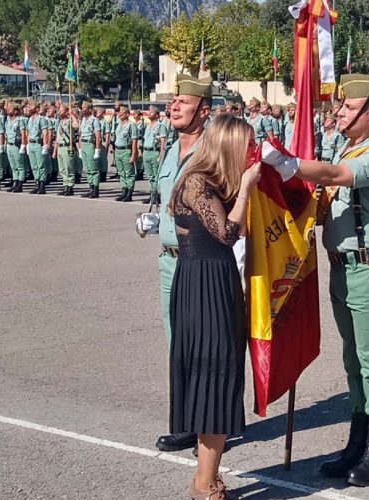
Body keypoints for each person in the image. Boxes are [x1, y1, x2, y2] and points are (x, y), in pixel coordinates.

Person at [264, 71, 369, 487]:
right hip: (343, 268)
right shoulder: (349, 149)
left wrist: (289, 165)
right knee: (353, 361)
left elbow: (337, 176)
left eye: (349, 106)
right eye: (341, 106)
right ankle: (356, 443)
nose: (340, 112)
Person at [168, 114, 261, 500]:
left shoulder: (214, 183)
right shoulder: (197, 182)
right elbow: (226, 233)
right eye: (247, 146)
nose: (251, 154)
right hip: (202, 287)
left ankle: (207, 477)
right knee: (212, 379)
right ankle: (204, 484)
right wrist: (246, 191)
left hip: (216, 284)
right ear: (229, 147)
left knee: (221, 379)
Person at [153, 75, 212, 457]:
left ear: (203, 111)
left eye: (183, 102)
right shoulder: (170, 149)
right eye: (173, 101)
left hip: (199, 260)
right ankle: (189, 421)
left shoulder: (213, 152)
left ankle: (210, 422)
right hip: (168, 262)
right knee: (178, 344)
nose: (173, 106)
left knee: (204, 344)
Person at [141, 105, 168, 205]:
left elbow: (163, 142)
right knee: (150, 175)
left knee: (156, 175)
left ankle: (157, 195)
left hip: (155, 152)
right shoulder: (148, 126)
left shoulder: (161, 126)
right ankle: (152, 193)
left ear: (157, 115)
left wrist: (161, 155)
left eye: (151, 112)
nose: (149, 114)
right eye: (149, 112)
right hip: (146, 152)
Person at [113, 105, 138, 202]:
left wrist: (133, 155)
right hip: (118, 150)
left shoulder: (131, 125)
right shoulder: (118, 124)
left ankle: (129, 193)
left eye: (122, 113)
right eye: (119, 113)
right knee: (121, 172)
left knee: (129, 173)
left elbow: (134, 141)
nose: (119, 115)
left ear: (127, 114)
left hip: (126, 150)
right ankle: (124, 191)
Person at [79, 102, 102, 198]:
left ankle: (96, 190)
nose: (83, 110)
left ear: (90, 109)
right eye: (82, 108)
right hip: (84, 144)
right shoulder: (83, 120)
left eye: (85, 108)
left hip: (90, 144)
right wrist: (80, 148)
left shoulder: (94, 121)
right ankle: (91, 188)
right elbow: (80, 135)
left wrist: (97, 150)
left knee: (93, 169)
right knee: (88, 169)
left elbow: (98, 137)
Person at [53, 106, 77, 197]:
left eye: (62, 110)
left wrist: (72, 115)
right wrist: (55, 151)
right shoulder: (60, 122)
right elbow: (57, 139)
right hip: (60, 147)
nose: (60, 112)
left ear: (66, 111)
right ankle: (66, 186)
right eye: (59, 110)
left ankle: (70, 187)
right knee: (62, 169)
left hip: (67, 147)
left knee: (68, 168)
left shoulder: (69, 121)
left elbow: (76, 125)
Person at [4, 103, 27, 193]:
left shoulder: (19, 120)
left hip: (16, 145)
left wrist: (23, 145)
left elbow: (23, 133)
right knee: (13, 167)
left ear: (16, 111)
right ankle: (15, 183)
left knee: (20, 166)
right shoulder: (8, 120)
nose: (8, 110)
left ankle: (20, 184)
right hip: (9, 145)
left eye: (11, 108)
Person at [26, 102, 48, 195]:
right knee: (34, 166)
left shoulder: (41, 119)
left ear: (37, 108)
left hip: (38, 144)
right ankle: (37, 183)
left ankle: (42, 185)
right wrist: (27, 144)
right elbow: (29, 133)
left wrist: (45, 145)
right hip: (31, 144)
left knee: (40, 165)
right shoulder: (30, 119)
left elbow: (45, 132)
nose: (29, 108)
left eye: (31, 106)